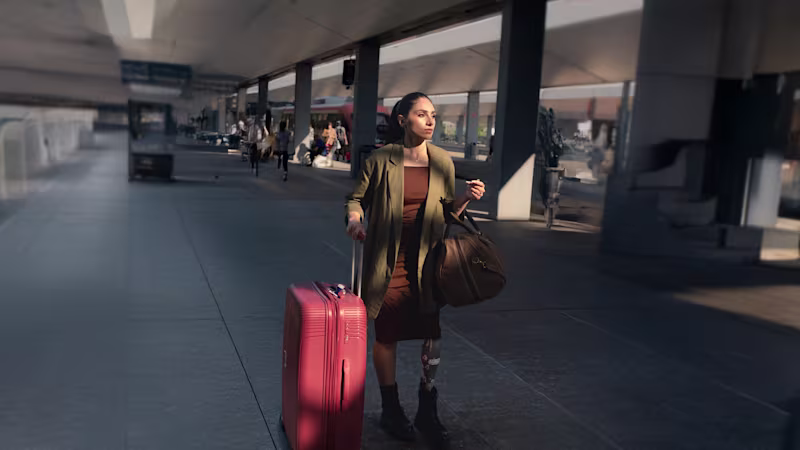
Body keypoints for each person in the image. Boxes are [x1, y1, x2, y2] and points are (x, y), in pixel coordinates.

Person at [345, 92, 485, 449]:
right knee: (387, 334)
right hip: (387, 260)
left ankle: (427, 405)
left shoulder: (442, 161)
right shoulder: (380, 160)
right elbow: (356, 198)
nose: (430, 121)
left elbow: (447, 212)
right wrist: (354, 219)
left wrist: (466, 197)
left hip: (428, 260)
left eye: (434, 115)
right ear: (402, 119)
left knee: (432, 333)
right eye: (422, 114)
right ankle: (391, 408)